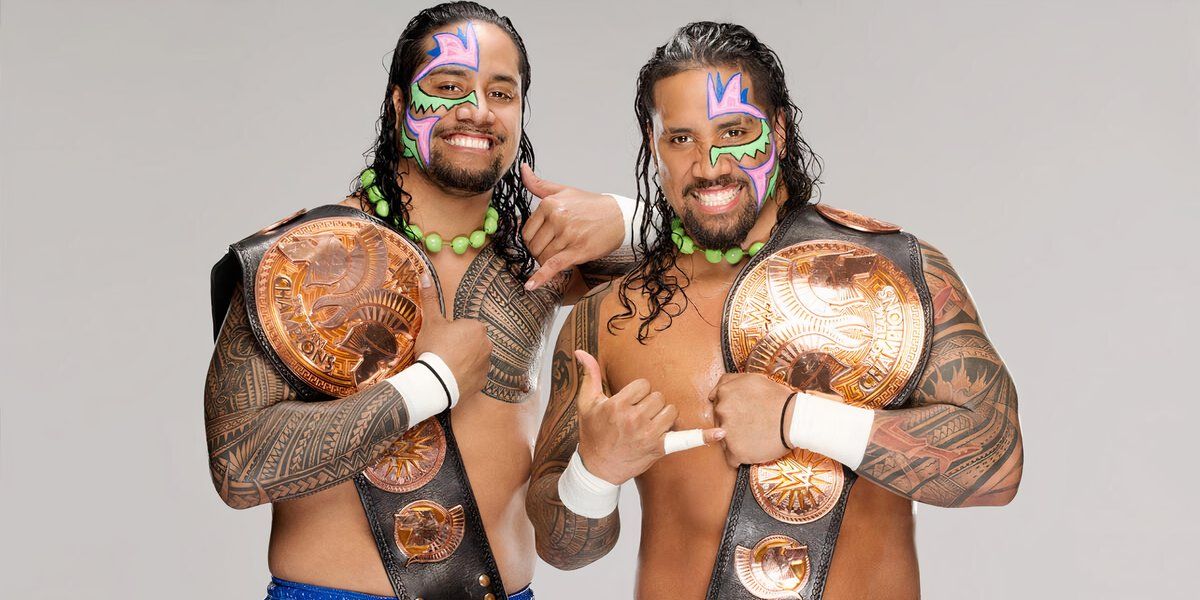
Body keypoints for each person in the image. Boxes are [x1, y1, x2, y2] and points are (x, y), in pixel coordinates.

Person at [527, 21, 1024, 600]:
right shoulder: (609, 315)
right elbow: (561, 548)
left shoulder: (901, 275)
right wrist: (597, 472)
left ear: (779, 132)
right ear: (652, 143)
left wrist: (796, 420)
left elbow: (997, 462)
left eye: (734, 131)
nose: (710, 165)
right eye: (681, 138)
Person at [204, 3, 641, 598]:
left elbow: (726, 247)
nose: (476, 110)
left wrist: (625, 215)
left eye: (501, 93)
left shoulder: (541, 257)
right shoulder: (303, 258)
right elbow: (238, 464)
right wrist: (429, 385)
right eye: (447, 87)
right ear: (398, 103)